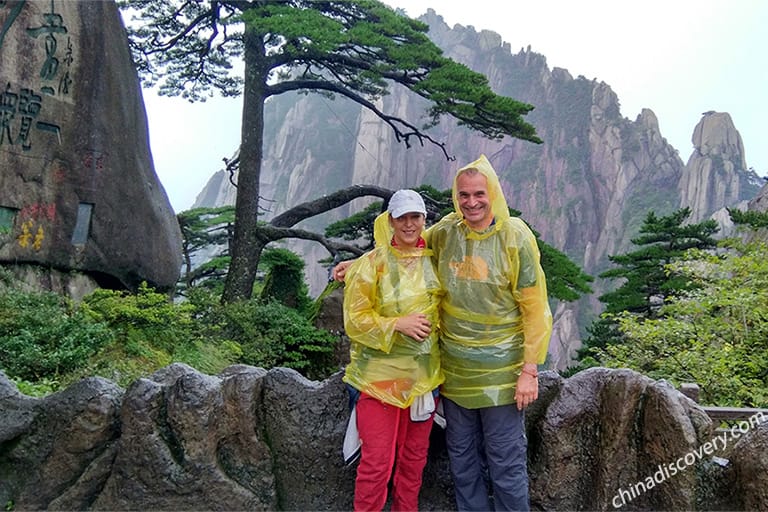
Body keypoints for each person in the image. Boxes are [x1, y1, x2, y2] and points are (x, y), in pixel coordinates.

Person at [334, 155, 552, 511]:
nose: (471, 202)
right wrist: (359, 264)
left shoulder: (515, 237)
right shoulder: (448, 231)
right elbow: (403, 247)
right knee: (461, 461)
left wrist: (530, 369)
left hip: (501, 375)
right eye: (463, 195)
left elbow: (535, 307)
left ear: (493, 193)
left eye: (479, 193)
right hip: (451, 376)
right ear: (455, 197)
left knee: (506, 462)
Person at [342, 189, 444, 512]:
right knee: (377, 464)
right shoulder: (372, 265)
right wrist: (397, 325)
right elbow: (355, 321)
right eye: (402, 217)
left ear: (424, 220)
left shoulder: (434, 260)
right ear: (391, 220)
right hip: (379, 382)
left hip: (424, 381)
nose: (409, 224)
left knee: (413, 463)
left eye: (416, 217)